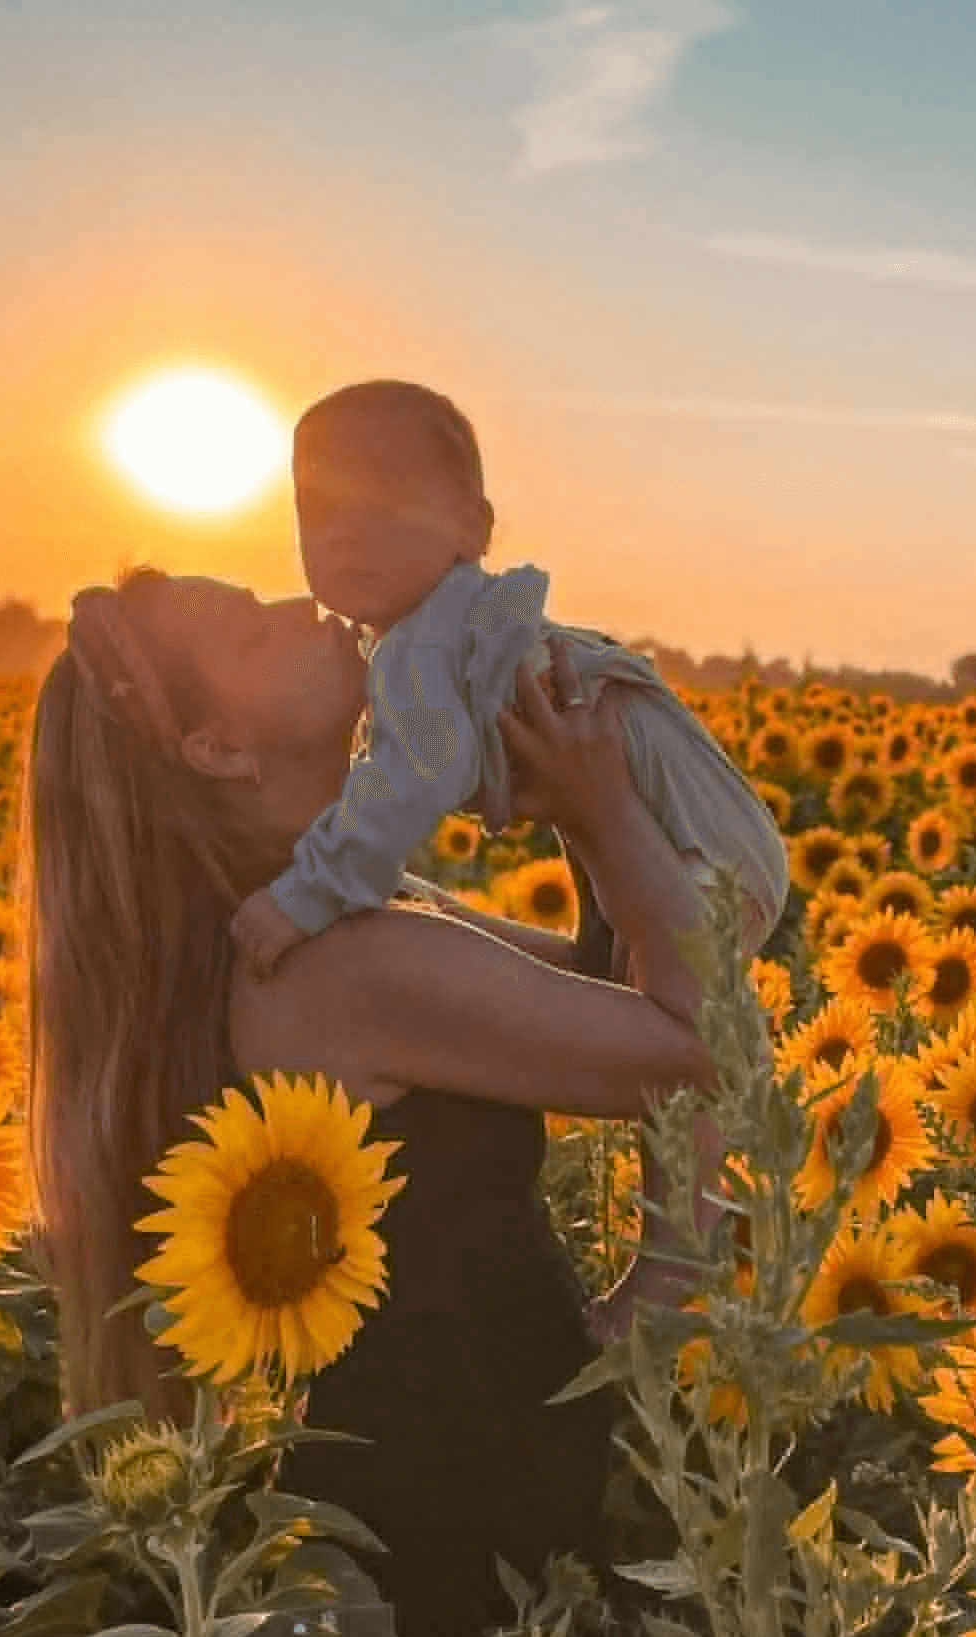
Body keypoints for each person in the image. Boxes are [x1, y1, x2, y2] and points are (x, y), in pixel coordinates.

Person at [16, 563, 719, 1637]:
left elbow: (601, 996)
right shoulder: (341, 968)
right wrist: (609, 809)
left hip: (416, 1502)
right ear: (218, 750)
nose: (304, 605)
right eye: (252, 629)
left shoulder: (306, 927)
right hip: (477, 1530)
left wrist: (568, 798)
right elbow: (700, 1050)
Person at [227, 380, 788, 1338]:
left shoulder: (419, 650)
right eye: (320, 510)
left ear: (471, 528)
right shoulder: (417, 640)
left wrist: (313, 892)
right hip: (645, 822)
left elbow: (418, 770)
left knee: (691, 1027)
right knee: (654, 1004)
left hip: (680, 832)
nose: (348, 532)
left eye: (384, 501)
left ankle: (673, 1265)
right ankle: (682, 1256)